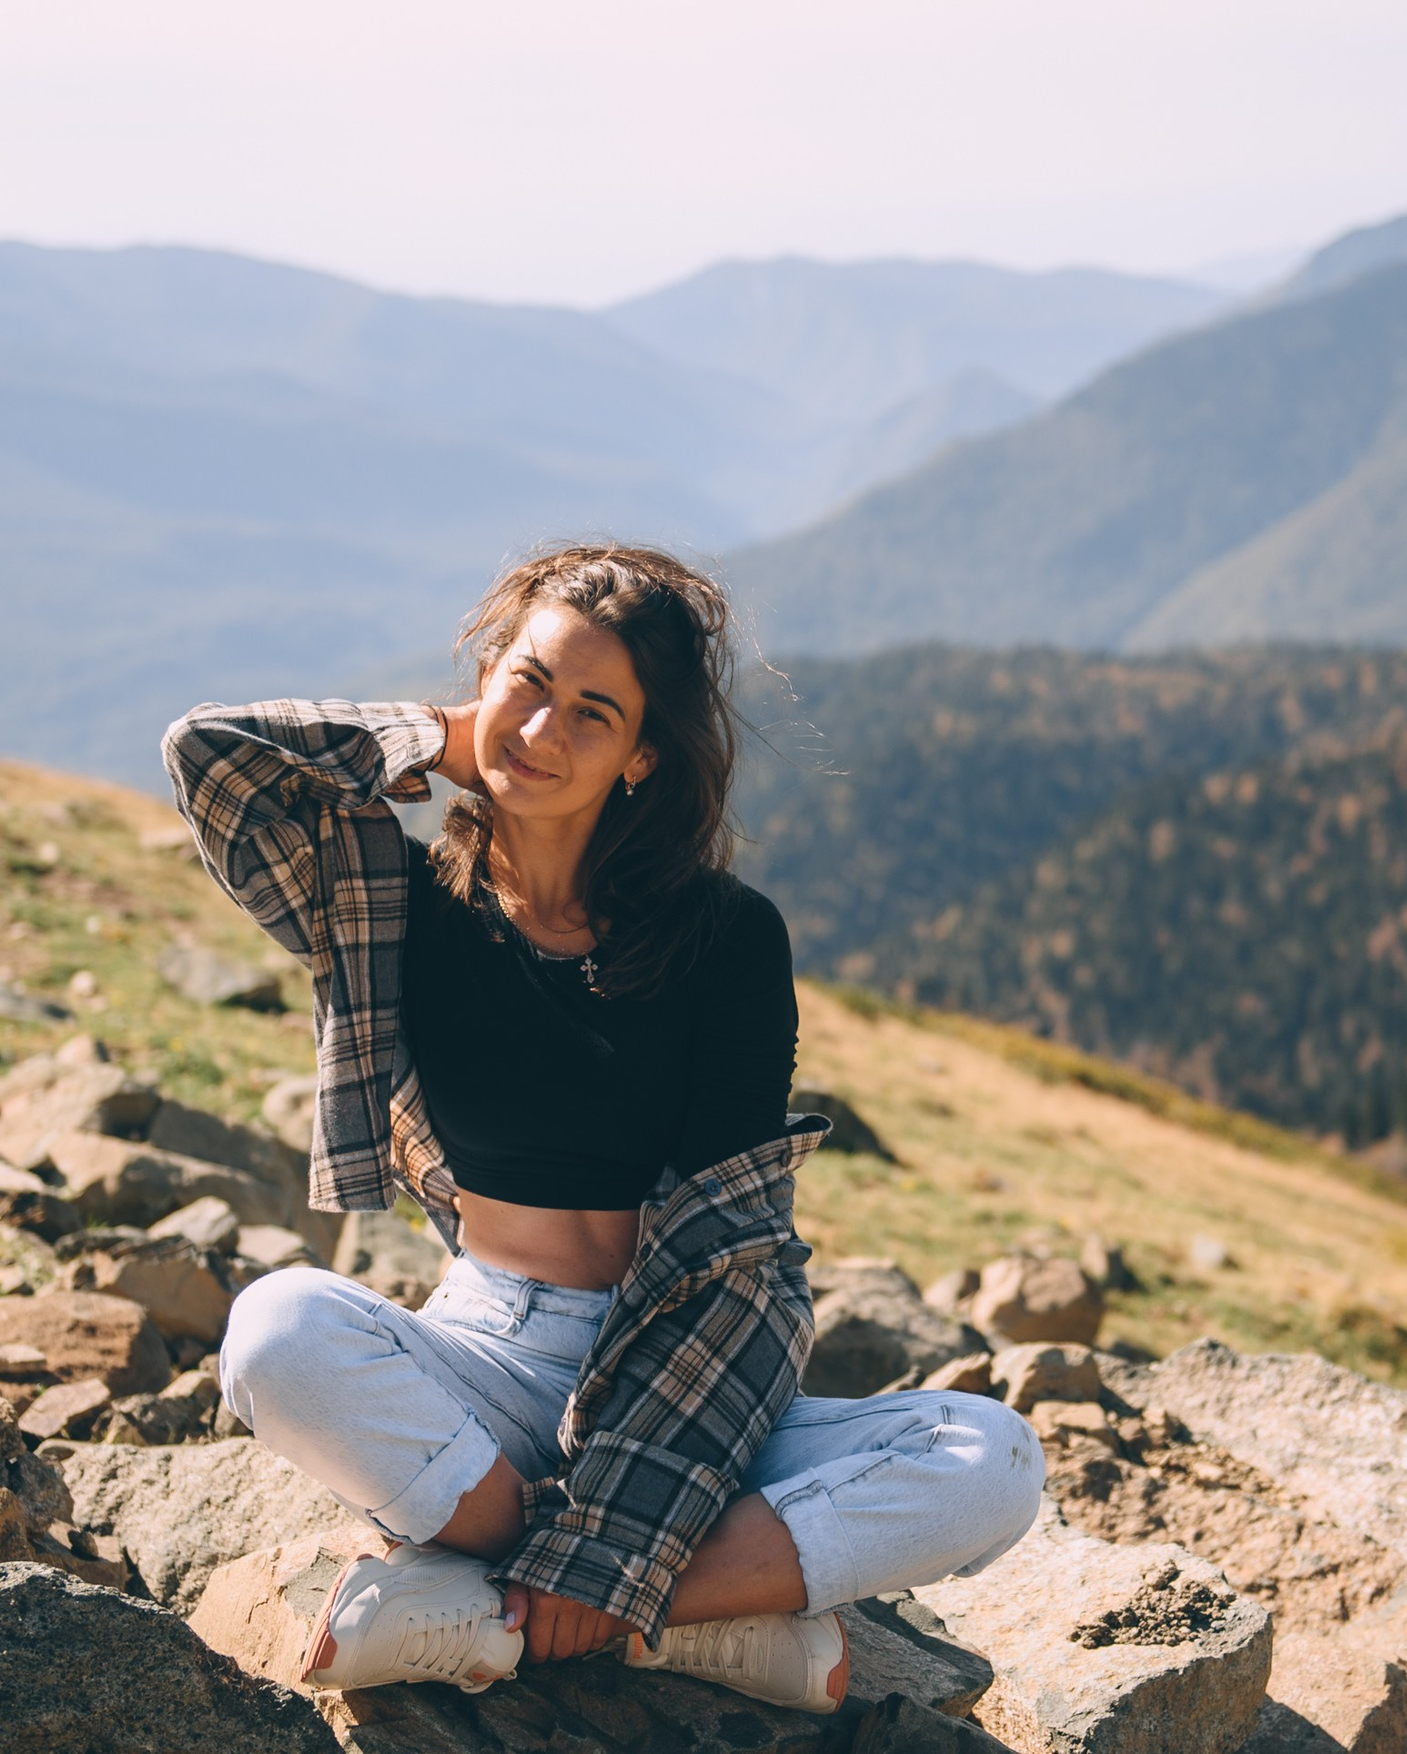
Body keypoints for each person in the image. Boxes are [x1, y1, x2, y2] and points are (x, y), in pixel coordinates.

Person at [163, 545, 1043, 1714]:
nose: (544, 729)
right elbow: (213, 755)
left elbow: (730, 1256)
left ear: (641, 756)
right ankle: (680, 1618)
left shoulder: (725, 938)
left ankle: (499, 1611)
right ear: (488, 671)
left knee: (993, 1458)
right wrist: (443, 735)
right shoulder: (398, 898)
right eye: (529, 682)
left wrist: (614, 1528)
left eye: (594, 712)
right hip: (488, 1355)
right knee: (274, 1330)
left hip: (687, 1353)